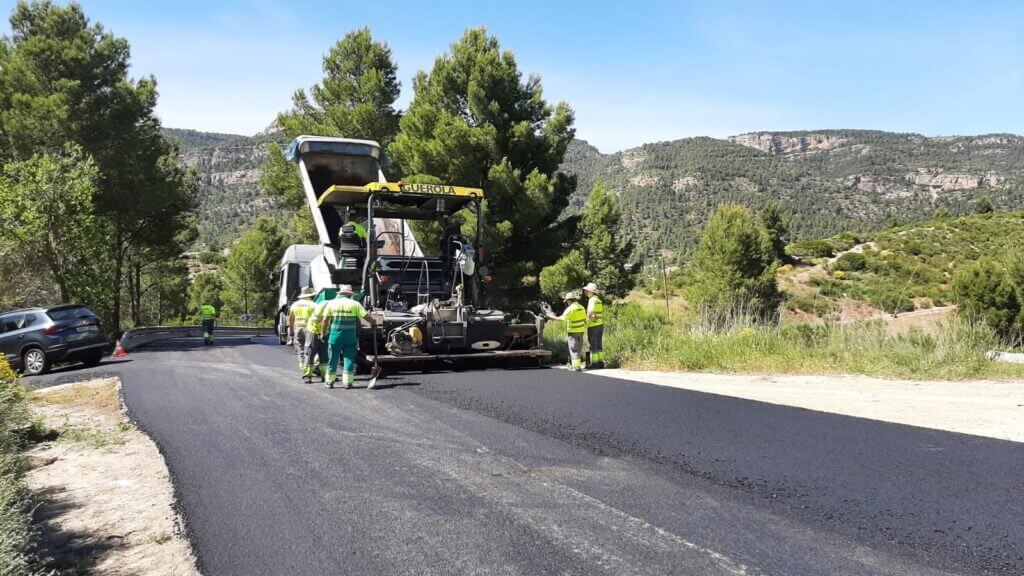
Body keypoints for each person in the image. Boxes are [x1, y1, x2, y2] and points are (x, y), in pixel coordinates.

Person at [319, 284, 375, 389]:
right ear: (349, 294)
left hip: (335, 335)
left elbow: (325, 319)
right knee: (349, 358)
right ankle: (348, 382)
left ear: (340, 293)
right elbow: (365, 316)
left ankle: (329, 382)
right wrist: (374, 322)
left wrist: (323, 333)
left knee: (333, 358)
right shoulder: (355, 304)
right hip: (350, 336)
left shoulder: (332, 303)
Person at [546, 292, 587, 371]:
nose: (567, 303)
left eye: (567, 301)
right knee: (578, 348)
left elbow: (562, 319)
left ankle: (575, 367)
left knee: (573, 349)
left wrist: (551, 317)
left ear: (569, 300)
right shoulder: (581, 307)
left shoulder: (570, 309)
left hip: (573, 332)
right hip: (581, 331)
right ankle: (577, 365)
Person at [288, 287, 318, 382]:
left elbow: (291, 318)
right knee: (309, 349)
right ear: (311, 296)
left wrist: (291, 330)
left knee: (300, 349)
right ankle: (309, 370)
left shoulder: (294, 305)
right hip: (309, 330)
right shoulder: (314, 305)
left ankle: (303, 367)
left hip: (298, 329)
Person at [582, 282, 605, 369]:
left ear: (592, 292)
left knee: (593, 344)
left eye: (588, 291)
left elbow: (591, 311)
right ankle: (600, 362)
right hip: (600, 325)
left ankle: (594, 363)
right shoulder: (598, 300)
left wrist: (589, 318)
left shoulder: (592, 300)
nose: (586, 292)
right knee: (599, 344)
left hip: (593, 325)